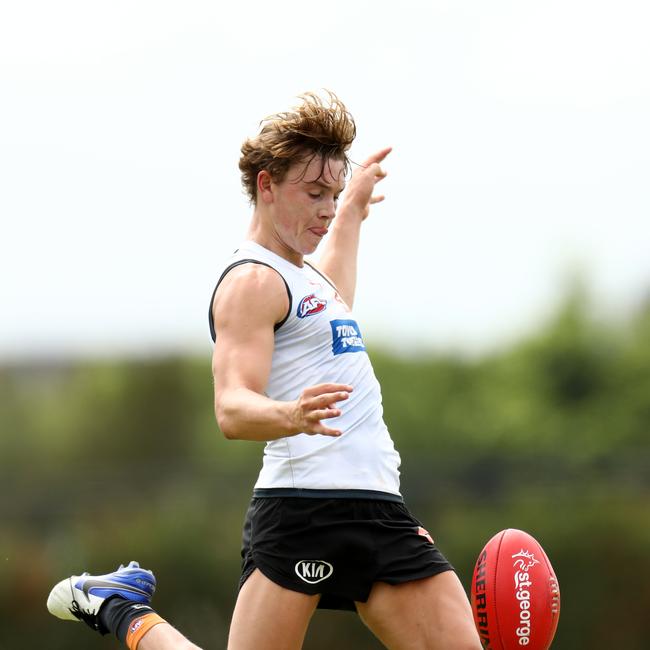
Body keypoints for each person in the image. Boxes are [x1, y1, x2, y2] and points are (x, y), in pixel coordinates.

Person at [48, 91, 482, 650]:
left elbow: (333, 295)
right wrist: (291, 413)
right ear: (266, 185)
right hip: (304, 511)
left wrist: (351, 211)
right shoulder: (251, 282)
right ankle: (120, 609)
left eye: (332, 193)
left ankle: (118, 606)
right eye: (314, 193)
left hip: (380, 507)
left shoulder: (307, 280)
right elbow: (232, 408)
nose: (325, 208)